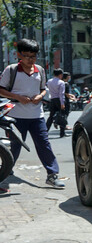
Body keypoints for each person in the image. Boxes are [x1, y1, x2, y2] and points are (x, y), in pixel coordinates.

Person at [0, 39, 65, 188]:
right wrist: (18, 97)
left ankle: (52, 174)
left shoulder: (40, 70)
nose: (30, 59)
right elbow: (1, 89)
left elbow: (43, 89)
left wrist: (40, 97)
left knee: (44, 144)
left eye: (33, 56)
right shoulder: (11, 70)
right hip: (15, 116)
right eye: (27, 56)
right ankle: (5, 171)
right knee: (14, 146)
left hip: (37, 115)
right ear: (19, 55)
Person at [46, 68, 67, 137]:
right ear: (60, 75)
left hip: (52, 99)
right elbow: (61, 94)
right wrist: (62, 103)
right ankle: (62, 133)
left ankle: (45, 132)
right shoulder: (61, 82)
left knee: (51, 116)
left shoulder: (49, 81)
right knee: (62, 116)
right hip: (59, 100)